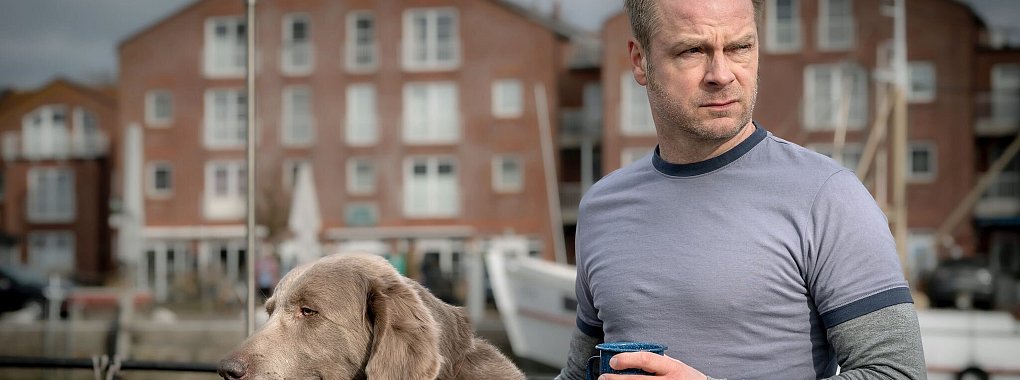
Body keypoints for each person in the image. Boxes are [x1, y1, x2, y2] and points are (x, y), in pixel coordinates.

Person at [556, 0, 926, 379]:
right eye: (693, 50)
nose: (722, 74)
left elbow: (897, 372)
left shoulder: (827, 196)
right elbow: (577, 373)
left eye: (739, 48)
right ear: (640, 61)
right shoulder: (601, 208)